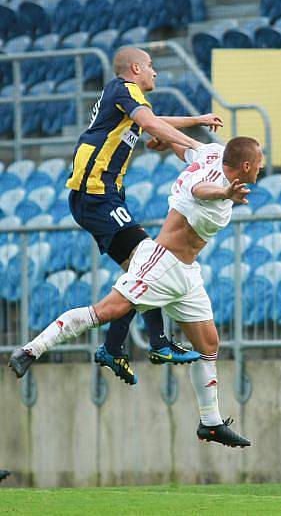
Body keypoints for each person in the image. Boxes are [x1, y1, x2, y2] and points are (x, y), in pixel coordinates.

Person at [9, 136, 262, 448]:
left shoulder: (211, 152)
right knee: (108, 311)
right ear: (246, 166)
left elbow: (181, 143)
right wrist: (225, 193)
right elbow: (200, 190)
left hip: (186, 274)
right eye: (259, 166)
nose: (261, 171)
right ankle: (31, 350)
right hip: (160, 262)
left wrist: (168, 136)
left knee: (209, 343)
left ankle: (210, 422)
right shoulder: (215, 180)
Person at [67, 45, 224, 385]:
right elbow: (151, 123)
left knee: (141, 272)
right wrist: (199, 148)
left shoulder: (125, 99)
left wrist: (195, 121)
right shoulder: (124, 89)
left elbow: (154, 123)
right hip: (95, 193)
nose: (155, 72)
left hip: (99, 196)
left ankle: (125, 346)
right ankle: (151, 343)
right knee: (147, 260)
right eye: (151, 66)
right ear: (135, 68)